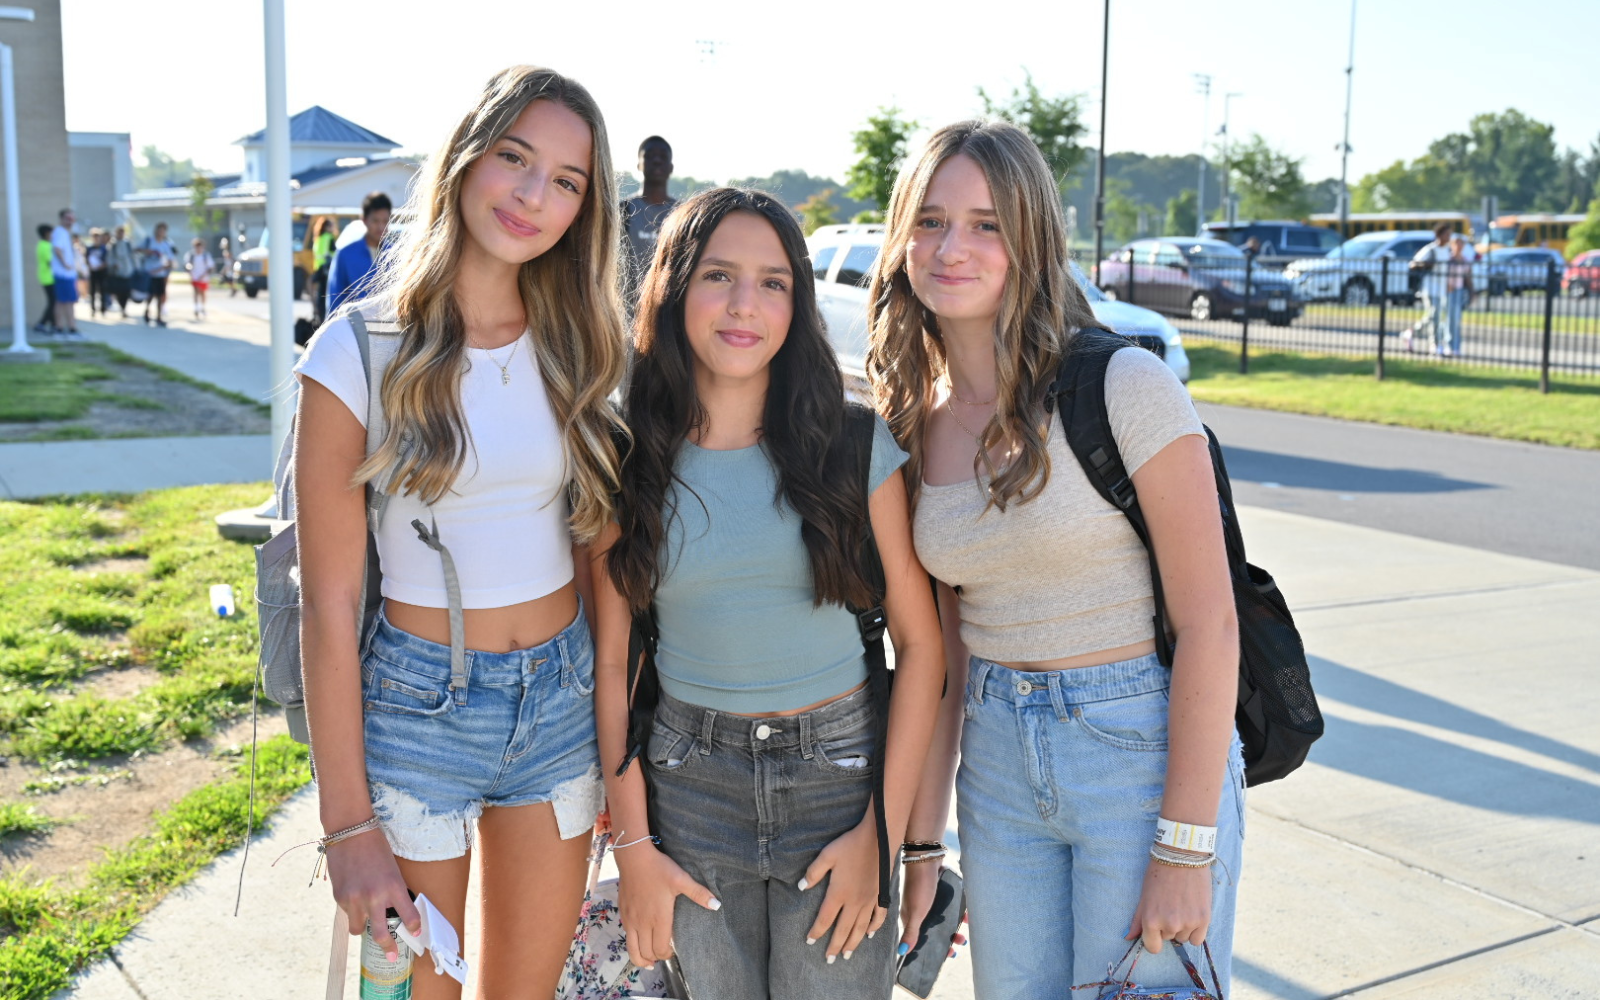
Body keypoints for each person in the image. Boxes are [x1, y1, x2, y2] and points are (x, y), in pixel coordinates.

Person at [866, 120, 1245, 998]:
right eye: (929, 220)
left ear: (1030, 239)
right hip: (996, 762)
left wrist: (1186, 845)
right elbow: (946, 660)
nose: (951, 246)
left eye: (986, 224)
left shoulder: (1125, 386)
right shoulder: (912, 423)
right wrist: (924, 845)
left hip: (1137, 749)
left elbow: (1210, 624)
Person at [292, 65, 628, 1000]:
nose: (533, 196)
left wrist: (618, 748)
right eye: (515, 159)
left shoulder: (584, 349)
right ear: (465, 159)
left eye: (566, 181)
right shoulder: (359, 350)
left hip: (559, 705)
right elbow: (327, 601)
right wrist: (348, 827)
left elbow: (606, 558)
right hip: (415, 710)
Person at [592, 187, 944, 1000]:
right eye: (719, 276)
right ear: (675, 289)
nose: (744, 305)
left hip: (840, 784)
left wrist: (879, 836)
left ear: (798, 302)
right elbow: (612, 666)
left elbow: (924, 650)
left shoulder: (854, 446)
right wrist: (634, 847)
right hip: (689, 788)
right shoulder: (623, 457)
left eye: (773, 282)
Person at [618, 135, 677, 306]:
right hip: (627, 313)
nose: (657, 161)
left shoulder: (682, 214)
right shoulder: (623, 210)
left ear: (670, 167)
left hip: (668, 313)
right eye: (650, 156)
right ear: (639, 164)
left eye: (663, 157)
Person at [326, 191, 391, 314]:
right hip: (353, 329)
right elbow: (334, 300)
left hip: (390, 330)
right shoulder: (345, 255)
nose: (381, 227)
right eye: (375, 221)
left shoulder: (398, 256)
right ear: (364, 220)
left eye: (385, 221)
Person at [140, 222, 179, 326]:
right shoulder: (149, 241)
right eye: (159, 230)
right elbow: (137, 249)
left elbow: (171, 258)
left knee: (160, 295)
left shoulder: (166, 244)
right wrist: (148, 251)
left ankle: (158, 317)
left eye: (163, 230)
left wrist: (168, 266)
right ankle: (147, 312)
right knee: (150, 295)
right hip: (149, 273)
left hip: (161, 273)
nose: (161, 232)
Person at [50, 208, 81, 337]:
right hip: (63, 274)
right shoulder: (60, 232)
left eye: (72, 219)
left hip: (67, 274)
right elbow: (57, 249)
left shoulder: (65, 233)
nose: (70, 221)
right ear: (61, 219)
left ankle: (64, 326)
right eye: (67, 219)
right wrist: (65, 265)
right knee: (65, 301)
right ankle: (67, 327)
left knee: (66, 301)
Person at [1443, 235, 1473, 358]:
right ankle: (1449, 345)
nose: (1459, 246)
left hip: (1459, 290)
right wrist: (1447, 285)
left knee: (1456, 319)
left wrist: (1472, 292)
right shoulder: (1449, 259)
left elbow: (1468, 277)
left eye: (1461, 244)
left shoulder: (1465, 260)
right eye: (1457, 244)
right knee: (1450, 319)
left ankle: (1455, 346)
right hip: (1450, 291)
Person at [107, 226, 136, 317]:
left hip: (127, 270)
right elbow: (109, 258)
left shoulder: (128, 243)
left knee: (127, 291)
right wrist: (113, 264)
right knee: (119, 291)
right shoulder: (113, 244)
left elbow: (133, 256)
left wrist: (135, 267)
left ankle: (124, 308)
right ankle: (121, 307)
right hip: (117, 272)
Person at [34, 223, 56, 334]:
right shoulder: (46, 245)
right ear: (47, 233)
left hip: (46, 277)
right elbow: (50, 262)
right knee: (53, 302)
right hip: (49, 278)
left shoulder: (42, 244)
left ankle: (52, 325)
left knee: (53, 302)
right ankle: (42, 323)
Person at [185, 237, 214, 320]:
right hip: (195, 276)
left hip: (204, 277)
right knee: (196, 292)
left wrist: (204, 275)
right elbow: (187, 265)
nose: (198, 248)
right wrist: (190, 271)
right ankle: (196, 307)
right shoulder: (191, 255)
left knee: (202, 293)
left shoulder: (206, 256)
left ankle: (202, 307)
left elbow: (210, 267)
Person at [85, 229, 110, 317]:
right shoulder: (89, 248)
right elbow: (86, 260)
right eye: (94, 237)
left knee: (103, 290)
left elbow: (107, 260)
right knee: (92, 291)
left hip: (102, 272)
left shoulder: (104, 249)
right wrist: (90, 266)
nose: (96, 239)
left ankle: (103, 309)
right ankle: (93, 309)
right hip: (93, 272)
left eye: (97, 237)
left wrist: (101, 266)